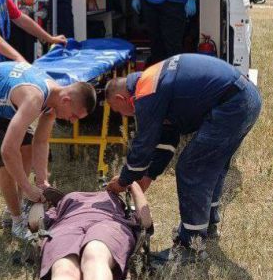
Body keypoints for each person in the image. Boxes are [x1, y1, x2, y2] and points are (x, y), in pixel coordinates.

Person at [105, 54, 261, 263]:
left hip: (233, 104)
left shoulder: (146, 92)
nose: (125, 115)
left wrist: (123, 181)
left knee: (192, 168)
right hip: (245, 97)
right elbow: (167, 139)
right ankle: (208, 224)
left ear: (119, 99)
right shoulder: (153, 82)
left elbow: (144, 144)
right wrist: (149, 175)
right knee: (212, 165)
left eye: (119, 111)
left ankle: (191, 246)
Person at [0, 61, 97, 239]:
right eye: (74, 115)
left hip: (7, 100)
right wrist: (28, 187)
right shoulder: (34, 99)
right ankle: (17, 221)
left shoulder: (54, 98)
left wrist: (41, 180)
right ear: (66, 100)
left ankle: (14, 205)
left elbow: (41, 142)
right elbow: (8, 151)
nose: (72, 121)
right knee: (6, 165)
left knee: (27, 147)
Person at [26, 183, 152, 280]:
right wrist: (39, 199)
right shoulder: (61, 204)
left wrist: (131, 183)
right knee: (64, 269)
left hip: (107, 222)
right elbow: (35, 222)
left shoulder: (114, 198)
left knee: (95, 253)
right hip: (66, 227)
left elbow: (145, 222)